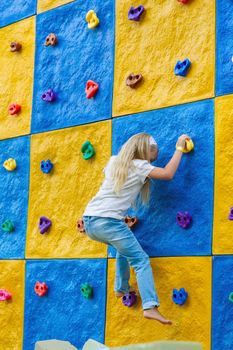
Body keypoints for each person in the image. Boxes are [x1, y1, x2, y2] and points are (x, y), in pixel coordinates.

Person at [82, 132, 190, 324]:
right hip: (108, 222)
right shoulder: (140, 165)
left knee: (122, 249)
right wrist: (179, 147)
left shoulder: (115, 162)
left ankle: (121, 287)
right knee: (141, 261)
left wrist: (122, 219)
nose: (158, 151)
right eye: (155, 149)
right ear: (147, 149)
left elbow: (112, 196)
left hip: (91, 221)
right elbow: (167, 174)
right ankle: (150, 306)